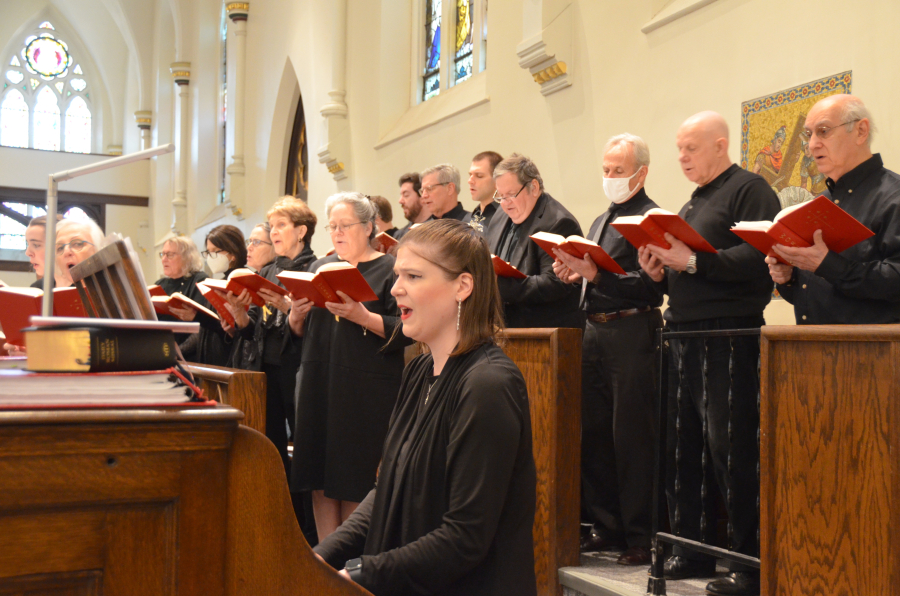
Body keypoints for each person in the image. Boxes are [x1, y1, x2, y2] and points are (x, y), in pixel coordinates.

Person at [314, 219, 537, 596]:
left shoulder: (487, 385)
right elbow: (388, 488)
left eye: (414, 276)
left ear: (462, 286)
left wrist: (362, 572)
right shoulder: (419, 369)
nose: (397, 288)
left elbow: (465, 536)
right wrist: (323, 555)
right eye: (398, 274)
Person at [639, 111, 780, 596]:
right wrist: (661, 271)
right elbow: (688, 266)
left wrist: (692, 261)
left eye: (690, 148)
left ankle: (749, 561)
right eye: (678, 149)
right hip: (682, 332)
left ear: (720, 146)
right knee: (685, 447)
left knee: (732, 447)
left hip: (729, 335)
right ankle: (691, 548)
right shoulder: (694, 200)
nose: (681, 157)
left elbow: (759, 259)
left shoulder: (750, 190)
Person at [552, 134, 663, 566]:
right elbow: (595, 273)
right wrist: (573, 273)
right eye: (606, 170)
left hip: (633, 329)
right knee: (594, 434)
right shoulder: (600, 220)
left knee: (632, 437)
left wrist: (596, 277)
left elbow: (653, 288)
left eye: (618, 171)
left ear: (641, 172)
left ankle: (641, 533)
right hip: (594, 332)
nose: (610, 177)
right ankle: (606, 525)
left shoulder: (651, 219)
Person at [288, 192, 407, 542]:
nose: (337, 233)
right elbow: (298, 333)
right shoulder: (316, 269)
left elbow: (407, 329)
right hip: (318, 384)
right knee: (319, 476)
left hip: (366, 389)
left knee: (355, 477)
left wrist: (362, 316)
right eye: (332, 227)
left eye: (345, 226)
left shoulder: (390, 270)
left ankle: (350, 564)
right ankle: (326, 563)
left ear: (369, 226)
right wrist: (295, 316)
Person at [767, 95, 900, 325]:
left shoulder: (893, 196)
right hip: (812, 348)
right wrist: (789, 279)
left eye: (824, 131)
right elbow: (815, 293)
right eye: (809, 134)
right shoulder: (818, 204)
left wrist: (827, 265)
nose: (812, 144)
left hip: (871, 354)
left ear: (861, 131)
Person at [227, 197, 318, 470]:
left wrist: (288, 307)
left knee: (303, 447)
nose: (274, 232)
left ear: (301, 231)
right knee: (269, 445)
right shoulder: (267, 270)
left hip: (297, 369)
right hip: (264, 367)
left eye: (281, 225)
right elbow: (251, 328)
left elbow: (319, 328)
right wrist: (239, 312)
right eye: (272, 226)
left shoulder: (314, 269)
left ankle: (300, 511)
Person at [485, 153, 584, 329]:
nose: (505, 203)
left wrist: (500, 285)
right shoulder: (500, 215)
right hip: (503, 328)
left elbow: (555, 283)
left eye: (510, 194)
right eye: (500, 196)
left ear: (534, 187)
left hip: (543, 332)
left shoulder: (558, 222)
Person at [154, 235, 208, 355]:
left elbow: (202, 327)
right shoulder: (159, 285)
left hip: (189, 354)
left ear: (187, 257)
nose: (164, 259)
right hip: (161, 351)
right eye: (163, 254)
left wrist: (177, 354)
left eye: (170, 255)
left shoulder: (200, 281)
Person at [55, 218, 104, 287]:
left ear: (98, 250)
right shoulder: (63, 295)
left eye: (77, 244)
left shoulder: (117, 290)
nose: (66, 252)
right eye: (60, 248)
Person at [463, 150, 503, 233]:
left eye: (479, 176)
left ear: (497, 180)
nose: (470, 181)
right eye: (470, 175)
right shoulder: (467, 219)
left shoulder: (506, 217)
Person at [24, 215, 66, 289]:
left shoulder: (87, 289)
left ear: (60, 247)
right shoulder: (38, 287)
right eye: (28, 244)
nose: (27, 253)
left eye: (36, 245)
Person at [394, 172, 430, 240]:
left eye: (406, 195)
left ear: (422, 196)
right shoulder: (399, 235)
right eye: (401, 195)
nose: (400, 201)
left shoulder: (438, 230)